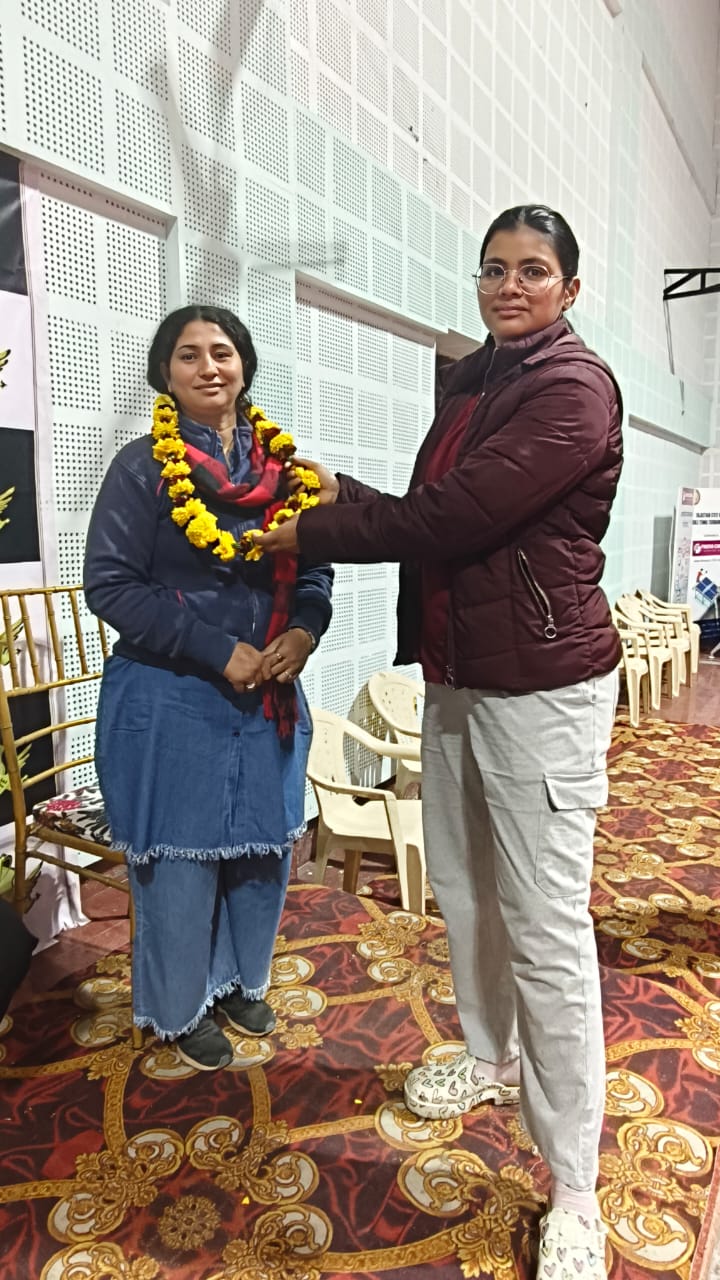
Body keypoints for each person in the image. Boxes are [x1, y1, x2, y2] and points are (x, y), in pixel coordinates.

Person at [255, 206, 622, 1278]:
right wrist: (342, 491)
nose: (510, 286)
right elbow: (433, 509)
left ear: (569, 289)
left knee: (546, 931)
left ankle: (577, 1188)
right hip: (459, 674)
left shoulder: (573, 388)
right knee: (466, 893)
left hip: (543, 686)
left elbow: (455, 521)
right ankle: (490, 1056)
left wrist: (317, 528)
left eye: (534, 270)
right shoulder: (473, 380)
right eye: (495, 269)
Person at [84, 305, 333, 1071]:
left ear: (244, 365)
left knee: (261, 853)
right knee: (181, 862)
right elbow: (110, 585)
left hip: (269, 698)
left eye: (221, 351)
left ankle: (238, 979)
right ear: (165, 373)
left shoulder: (287, 475)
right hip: (171, 696)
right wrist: (215, 648)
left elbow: (317, 569)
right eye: (187, 354)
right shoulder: (142, 468)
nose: (208, 367)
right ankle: (179, 1005)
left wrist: (303, 633)